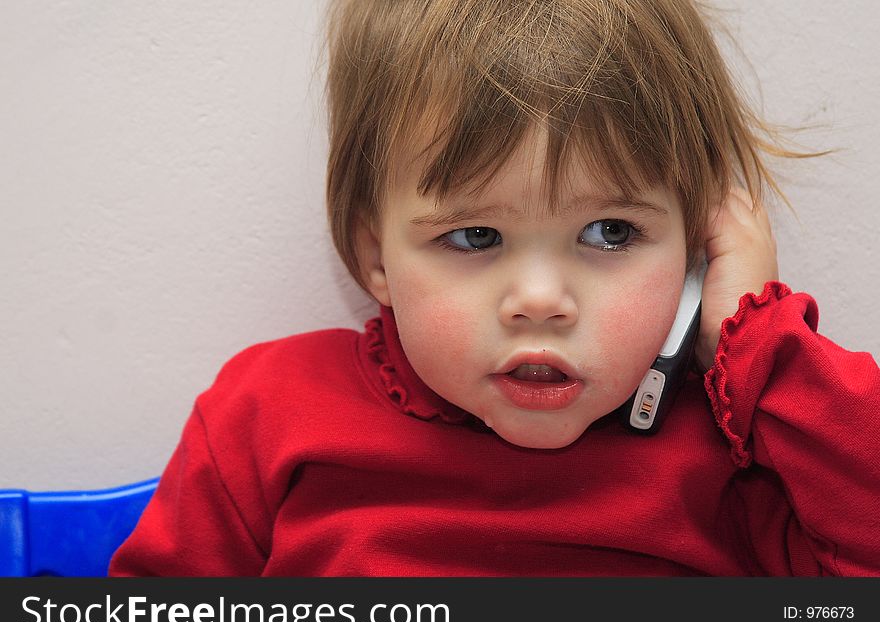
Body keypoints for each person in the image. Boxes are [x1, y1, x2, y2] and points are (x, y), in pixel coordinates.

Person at [109, 0, 880, 576]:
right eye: (476, 236)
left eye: (610, 232)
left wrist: (758, 345)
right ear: (374, 252)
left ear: (697, 250)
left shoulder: (735, 450)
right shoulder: (268, 416)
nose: (541, 299)